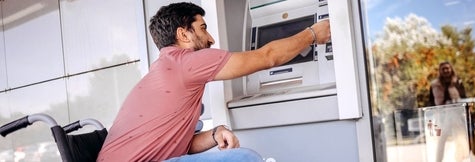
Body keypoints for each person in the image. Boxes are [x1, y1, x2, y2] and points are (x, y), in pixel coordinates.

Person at [97, 2, 330, 162]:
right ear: (183, 34)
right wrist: (313, 34)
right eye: (203, 29)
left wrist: (215, 133)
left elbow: (176, 146)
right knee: (243, 158)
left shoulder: (165, 67)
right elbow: (267, 57)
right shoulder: (186, 62)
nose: (211, 39)